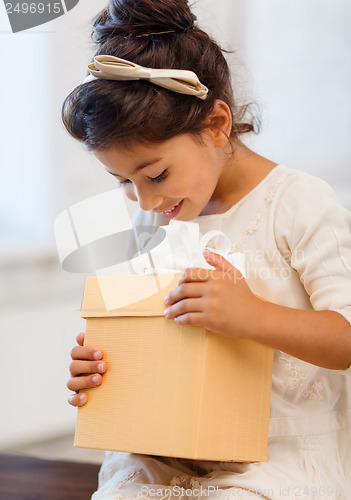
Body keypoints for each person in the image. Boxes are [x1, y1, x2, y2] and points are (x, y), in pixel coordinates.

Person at [62, 0, 351, 498]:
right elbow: (145, 327)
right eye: (123, 182)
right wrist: (102, 363)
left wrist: (253, 315)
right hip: (170, 445)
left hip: (275, 454)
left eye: (155, 174)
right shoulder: (154, 216)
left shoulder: (299, 203)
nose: (146, 199)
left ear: (217, 125)